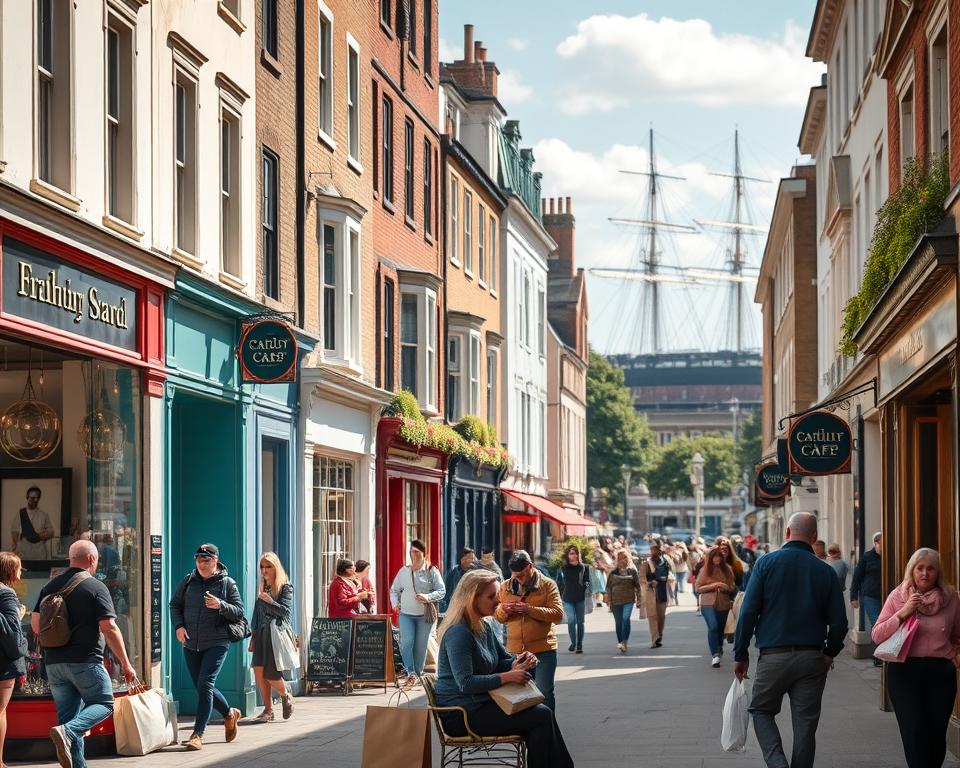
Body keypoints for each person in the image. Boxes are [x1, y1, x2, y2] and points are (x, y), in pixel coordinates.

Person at [733, 512, 848, 768]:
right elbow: (839, 622)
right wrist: (829, 652)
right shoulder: (825, 571)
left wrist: (740, 654)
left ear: (787, 532)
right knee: (805, 724)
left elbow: (748, 612)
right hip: (811, 657)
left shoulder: (765, 563)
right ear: (815, 537)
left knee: (761, 711)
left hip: (774, 655)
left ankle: (778, 763)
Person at [434, 569, 574, 768]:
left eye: (497, 595)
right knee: (541, 716)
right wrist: (508, 676)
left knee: (541, 716)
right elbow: (465, 683)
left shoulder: (483, 626)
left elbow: (503, 660)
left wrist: (522, 659)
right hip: (461, 713)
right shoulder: (459, 632)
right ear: (473, 598)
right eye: (491, 596)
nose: (498, 602)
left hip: (480, 704)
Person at [32, 540, 137, 768]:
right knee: (104, 703)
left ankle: (71, 744)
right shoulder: (96, 587)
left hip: (54, 664)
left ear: (71, 559)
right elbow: (109, 627)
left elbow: (36, 626)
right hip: (85, 662)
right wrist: (126, 664)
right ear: (91, 559)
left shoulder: (50, 586)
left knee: (71, 718)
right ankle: (67, 732)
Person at [872, 547, 960, 768]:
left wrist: (956, 656)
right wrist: (903, 613)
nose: (925, 573)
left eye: (931, 569)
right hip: (904, 672)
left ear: (938, 573)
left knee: (936, 735)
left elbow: (958, 635)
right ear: (911, 571)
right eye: (920, 568)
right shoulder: (898, 596)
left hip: (940, 673)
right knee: (914, 732)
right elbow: (877, 634)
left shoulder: (952, 598)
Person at [169, 543, 244, 751]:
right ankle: (229, 713)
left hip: (217, 642)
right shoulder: (188, 581)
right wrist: (179, 626)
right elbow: (174, 605)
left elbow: (239, 611)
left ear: (216, 561)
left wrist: (221, 605)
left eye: (207, 560)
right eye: (199, 559)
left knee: (205, 683)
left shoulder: (227, 583)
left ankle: (197, 734)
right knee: (203, 686)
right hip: (191, 642)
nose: (202, 564)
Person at [495, 550, 563, 711]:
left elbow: (558, 615)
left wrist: (529, 609)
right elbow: (498, 617)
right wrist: (504, 610)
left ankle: (548, 730)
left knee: (544, 691)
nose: (519, 579)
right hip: (515, 650)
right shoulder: (505, 586)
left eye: (522, 575)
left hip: (543, 649)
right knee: (520, 694)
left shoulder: (548, 585)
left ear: (530, 567)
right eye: (516, 575)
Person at [389, 539, 444, 685]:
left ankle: (417, 674)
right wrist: (395, 604)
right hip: (406, 614)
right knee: (406, 643)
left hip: (424, 616)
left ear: (424, 553)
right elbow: (394, 590)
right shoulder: (404, 571)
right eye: (411, 551)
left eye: (417, 552)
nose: (414, 554)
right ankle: (410, 672)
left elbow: (442, 591)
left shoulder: (431, 570)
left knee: (420, 647)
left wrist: (427, 597)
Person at [249, 552, 294, 723]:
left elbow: (285, 613)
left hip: (275, 635)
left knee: (271, 674)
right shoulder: (263, 586)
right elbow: (257, 612)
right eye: (262, 566)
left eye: (268, 566)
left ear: (276, 567)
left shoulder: (285, 587)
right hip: (260, 633)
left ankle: (285, 693)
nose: (264, 570)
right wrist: (252, 633)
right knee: (259, 670)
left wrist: (269, 601)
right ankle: (268, 710)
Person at [0, 552, 26, 766]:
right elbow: (12, 637)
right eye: (19, 568)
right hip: (3, 663)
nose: (21, 573)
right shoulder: (7, 594)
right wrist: (19, 616)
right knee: (0, 711)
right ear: (10, 570)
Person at [695, 546, 736, 667]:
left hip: (723, 603)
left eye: (719, 557)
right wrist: (714, 585)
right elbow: (698, 588)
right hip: (707, 603)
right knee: (713, 626)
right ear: (710, 558)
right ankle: (715, 655)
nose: (717, 559)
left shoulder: (728, 569)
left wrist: (727, 588)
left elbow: (732, 587)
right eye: (714, 557)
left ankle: (718, 647)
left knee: (720, 629)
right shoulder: (704, 570)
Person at [556, 544, 590, 654]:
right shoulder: (563, 568)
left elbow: (587, 581)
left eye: (575, 553)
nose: (573, 555)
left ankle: (579, 644)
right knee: (571, 621)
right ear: (567, 555)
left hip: (580, 598)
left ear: (578, 555)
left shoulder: (584, 567)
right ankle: (573, 643)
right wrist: (560, 595)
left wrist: (585, 587)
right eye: (571, 553)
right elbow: (559, 583)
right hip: (567, 598)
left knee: (580, 622)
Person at [606, 549, 641, 653]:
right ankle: (620, 642)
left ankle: (625, 642)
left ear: (629, 558)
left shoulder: (632, 571)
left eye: (625, 557)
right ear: (617, 559)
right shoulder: (613, 573)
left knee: (626, 618)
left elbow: (638, 586)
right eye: (621, 558)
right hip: (616, 601)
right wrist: (609, 600)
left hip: (629, 600)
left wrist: (639, 599)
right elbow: (608, 587)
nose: (623, 560)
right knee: (618, 622)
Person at [11, 485, 54, 561]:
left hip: (39, 553)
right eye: (33, 498)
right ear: (27, 497)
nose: (35, 500)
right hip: (24, 552)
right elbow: (14, 532)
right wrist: (15, 549)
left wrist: (39, 536)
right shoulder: (20, 513)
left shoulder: (44, 514)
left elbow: (51, 532)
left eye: (38, 498)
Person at [643, 540, 671, 648]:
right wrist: (649, 582)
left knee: (661, 617)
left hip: (661, 592)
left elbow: (665, 576)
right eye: (651, 548)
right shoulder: (646, 562)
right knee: (652, 617)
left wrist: (658, 580)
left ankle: (659, 635)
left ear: (660, 550)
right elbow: (642, 578)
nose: (653, 550)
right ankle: (654, 639)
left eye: (655, 548)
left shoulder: (664, 562)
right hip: (650, 593)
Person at [441, 547, 476, 613]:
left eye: (473, 558)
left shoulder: (475, 572)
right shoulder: (454, 571)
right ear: (462, 559)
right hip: (455, 609)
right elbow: (447, 590)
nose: (472, 561)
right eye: (469, 558)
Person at [590, 541, 612, 607]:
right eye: (598, 546)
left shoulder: (594, 553)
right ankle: (597, 601)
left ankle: (596, 601)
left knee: (596, 587)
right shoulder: (597, 553)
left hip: (595, 570)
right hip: (596, 571)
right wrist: (603, 568)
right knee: (598, 586)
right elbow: (598, 562)